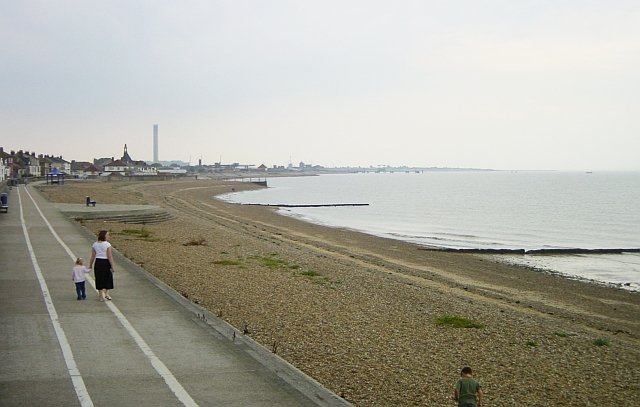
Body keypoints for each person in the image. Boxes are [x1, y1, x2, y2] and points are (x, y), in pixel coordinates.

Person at [90, 230, 115, 301]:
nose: (108, 236)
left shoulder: (95, 244)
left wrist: (90, 265)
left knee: (99, 278)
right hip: (106, 262)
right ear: (104, 236)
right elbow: (110, 256)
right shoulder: (107, 244)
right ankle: (107, 293)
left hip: (98, 262)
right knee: (108, 277)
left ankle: (101, 295)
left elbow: (93, 256)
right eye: (108, 235)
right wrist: (112, 266)